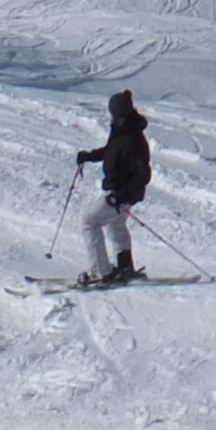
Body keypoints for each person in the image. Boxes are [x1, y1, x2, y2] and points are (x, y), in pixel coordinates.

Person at [73, 90, 152, 286]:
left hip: (122, 193)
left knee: (89, 221)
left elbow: (143, 174)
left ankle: (101, 273)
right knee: (116, 224)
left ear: (120, 112)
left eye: (114, 112)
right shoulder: (122, 131)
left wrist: (120, 197)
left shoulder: (133, 138)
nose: (112, 116)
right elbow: (111, 152)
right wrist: (88, 156)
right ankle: (125, 268)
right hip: (120, 193)